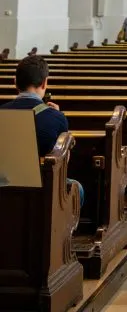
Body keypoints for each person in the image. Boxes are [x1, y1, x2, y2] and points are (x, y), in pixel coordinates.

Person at [1, 55, 83, 208]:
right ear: (45, 83)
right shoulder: (56, 117)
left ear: (15, 83)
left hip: (4, 186)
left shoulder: (2, 112)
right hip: (41, 193)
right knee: (77, 188)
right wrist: (58, 116)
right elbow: (63, 162)